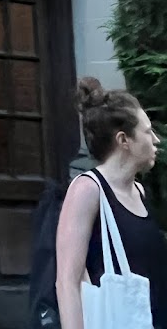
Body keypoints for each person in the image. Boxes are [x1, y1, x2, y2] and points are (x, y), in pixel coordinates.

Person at [56, 76, 167, 329]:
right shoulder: (87, 189)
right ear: (123, 140)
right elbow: (67, 282)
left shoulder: (139, 191)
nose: (156, 140)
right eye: (148, 131)